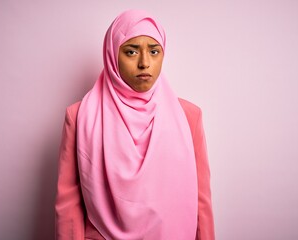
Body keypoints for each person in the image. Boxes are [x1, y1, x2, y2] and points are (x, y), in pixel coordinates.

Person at [55, 9, 215, 240]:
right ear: (111, 55)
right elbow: (68, 204)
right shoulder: (79, 116)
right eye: (131, 51)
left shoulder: (189, 116)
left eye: (154, 51)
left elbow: (201, 201)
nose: (144, 63)